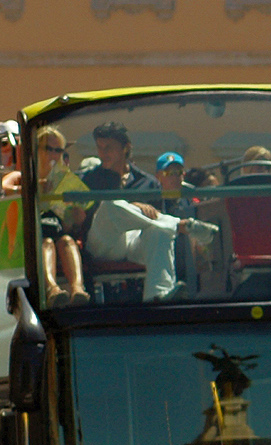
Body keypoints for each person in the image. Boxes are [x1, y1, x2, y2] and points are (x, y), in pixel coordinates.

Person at [81, 121, 216, 303]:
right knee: (110, 204)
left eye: (109, 148)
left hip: (133, 245)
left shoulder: (149, 183)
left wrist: (137, 210)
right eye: (99, 147)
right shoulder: (87, 179)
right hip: (102, 245)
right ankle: (181, 224)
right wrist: (136, 206)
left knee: (160, 230)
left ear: (126, 148)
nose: (103, 153)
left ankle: (159, 294)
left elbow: (153, 222)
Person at [35, 127, 89, 307]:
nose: (53, 154)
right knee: (47, 243)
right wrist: (34, 190)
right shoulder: (23, 176)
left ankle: (78, 289)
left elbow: (66, 226)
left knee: (66, 240)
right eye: (48, 149)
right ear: (37, 149)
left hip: (56, 229)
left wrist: (75, 217)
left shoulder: (66, 180)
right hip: (33, 235)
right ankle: (52, 289)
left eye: (58, 150)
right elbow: (2, 188)